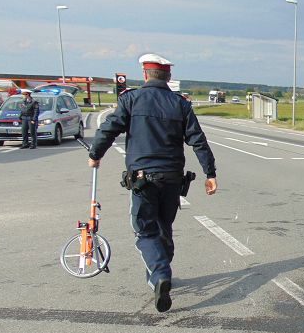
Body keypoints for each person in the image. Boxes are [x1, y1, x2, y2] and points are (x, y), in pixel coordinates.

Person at [88, 53, 218, 312]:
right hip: (172, 180)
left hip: (143, 179)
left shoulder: (131, 99)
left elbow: (109, 128)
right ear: (168, 77)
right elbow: (198, 140)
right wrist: (210, 173)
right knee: (164, 226)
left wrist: (95, 154)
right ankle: (161, 273)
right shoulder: (180, 104)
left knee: (145, 230)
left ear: (145, 75)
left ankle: (160, 275)